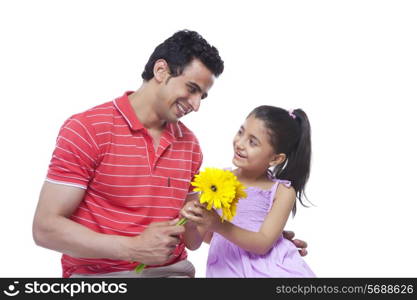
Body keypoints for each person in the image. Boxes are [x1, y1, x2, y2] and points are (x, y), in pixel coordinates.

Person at [32, 30, 308, 278]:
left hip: (172, 275)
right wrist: (133, 248)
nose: (196, 105)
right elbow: (45, 229)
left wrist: (265, 245)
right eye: (192, 89)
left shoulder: (190, 146)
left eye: (203, 96)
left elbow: (194, 236)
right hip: (99, 277)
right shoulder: (87, 129)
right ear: (161, 70)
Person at [181, 105, 315, 277]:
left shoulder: (282, 191)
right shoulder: (217, 181)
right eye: (240, 132)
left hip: (270, 270)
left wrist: (217, 224)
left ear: (275, 158)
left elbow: (262, 243)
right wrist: (190, 223)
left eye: (253, 142)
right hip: (227, 269)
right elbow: (195, 243)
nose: (240, 144)